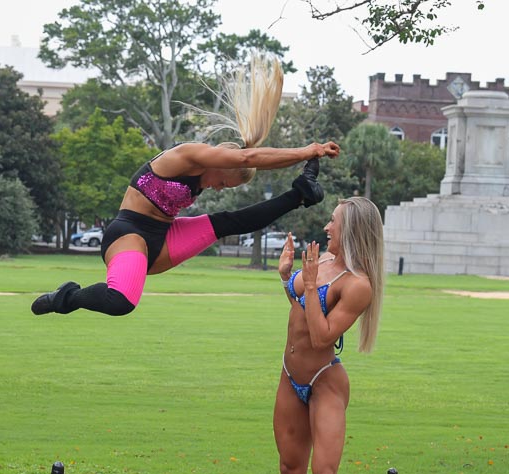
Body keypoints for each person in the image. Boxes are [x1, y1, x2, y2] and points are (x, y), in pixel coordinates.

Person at [31, 54, 340, 317]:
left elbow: (249, 161)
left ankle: (300, 193)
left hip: (165, 237)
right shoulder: (187, 155)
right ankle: (66, 297)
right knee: (120, 302)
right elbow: (248, 157)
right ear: (222, 162)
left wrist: (303, 171)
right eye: (223, 182)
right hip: (130, 233)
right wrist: (308, 151)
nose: (218, 188)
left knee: (231, 222)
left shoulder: (212, 173)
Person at [272, 197, 384, 474]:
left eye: (333, 222)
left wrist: (308, 280)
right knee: (290, 470)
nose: (326, 227)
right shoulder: (319, 263)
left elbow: (321, 337)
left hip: (325, 382)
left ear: (351, 229)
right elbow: (301, 309)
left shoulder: (357, 285)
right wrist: (287, 276)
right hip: (290, 377)